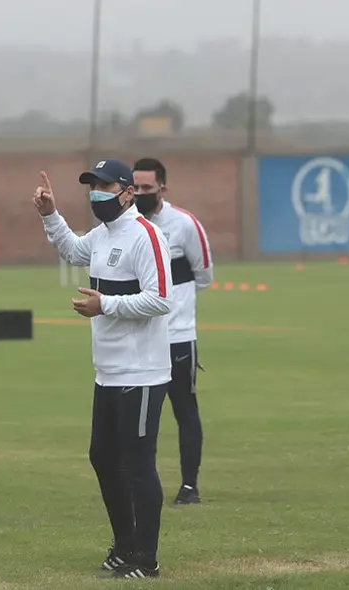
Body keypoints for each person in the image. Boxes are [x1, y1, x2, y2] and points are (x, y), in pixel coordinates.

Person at [34, 158, 172, 579]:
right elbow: (74, 250)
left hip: (142, 373)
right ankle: (125, 545)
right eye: (92, 186)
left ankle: (145, 560)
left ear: (128, 192)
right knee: (103, 458)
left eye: (104, 186)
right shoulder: (104, 234)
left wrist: (104, 305)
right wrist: (50, 215)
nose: (96, 193)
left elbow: (161, 299)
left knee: (138, 463)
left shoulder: (146, 236)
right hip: (108, 371)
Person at [132, 157, 213, 505]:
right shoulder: (128, 226)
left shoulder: (184, 225)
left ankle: (189, 486)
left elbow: (205, 276)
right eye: (135, 188)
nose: (140, 194)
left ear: (162, 189)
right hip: (138, 338)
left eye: (147, 189)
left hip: (178, 337)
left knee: (185, 410)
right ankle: (137, 483)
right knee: (138, 416)